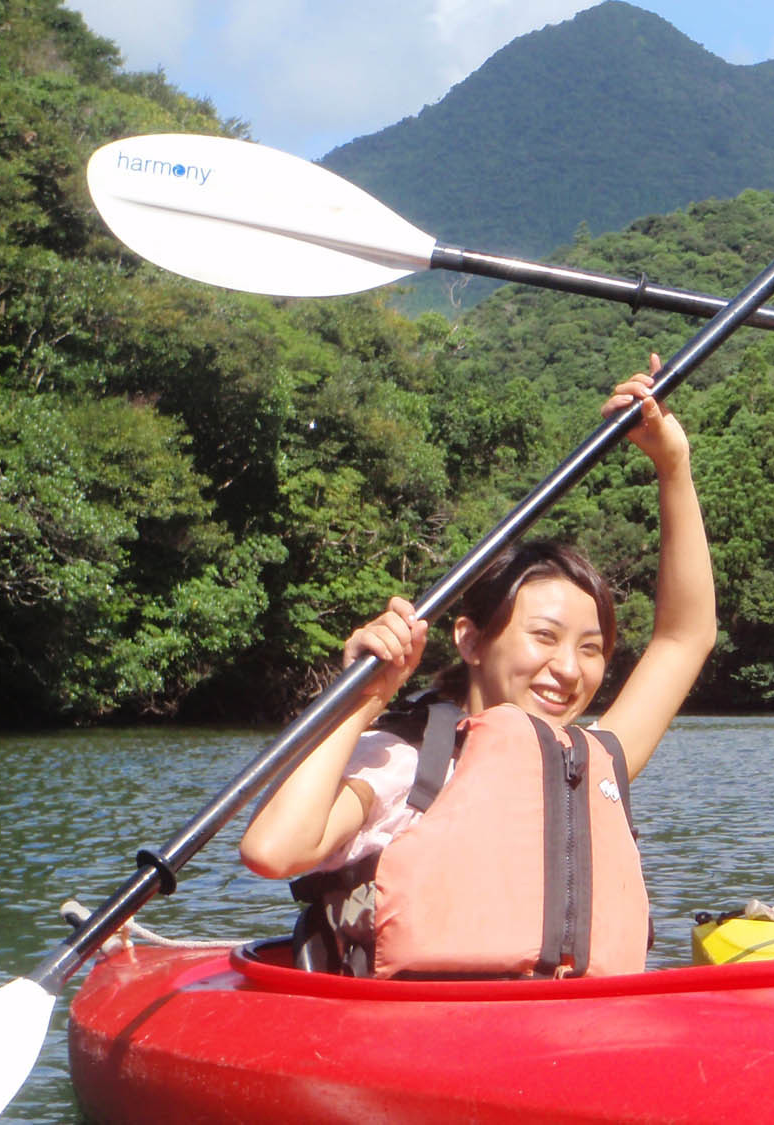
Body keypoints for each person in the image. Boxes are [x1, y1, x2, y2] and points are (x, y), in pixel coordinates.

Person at [239, 356, 714, 978]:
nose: (568, 669)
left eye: (591, 648)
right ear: (471, 640)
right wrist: (361, 702)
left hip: (564, 1036)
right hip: (423, 1039)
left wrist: (672, 464)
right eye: (543, 636)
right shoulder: (405, 765)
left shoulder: (589, 761)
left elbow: (685, 636)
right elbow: (273, 852)